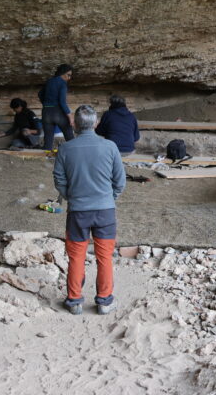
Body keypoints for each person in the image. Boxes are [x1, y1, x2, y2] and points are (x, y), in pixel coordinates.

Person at [52, 105, 125, 315]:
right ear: (96, 123)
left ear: (74, 124)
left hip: (77, 212)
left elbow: (59, 179)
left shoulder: (65, 148)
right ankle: (104, 301)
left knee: (76, 257)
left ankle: (74, 301)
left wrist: (72, 197)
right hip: (105, 212)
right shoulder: (110, 146)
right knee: (104, 257)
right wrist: (108, 199)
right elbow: (120, 181)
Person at [37, 63, 74, 150]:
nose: (69, 78)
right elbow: (62, 102)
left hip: (46, 113)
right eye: (68, 75)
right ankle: (75, 153)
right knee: (69, 137)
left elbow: (40, 94)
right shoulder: (62, 83)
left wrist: (46, 104)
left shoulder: (49, 81)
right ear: (63, 73)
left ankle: (45, 160)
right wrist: (70, 116)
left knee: (48, 141)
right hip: (57, 112)